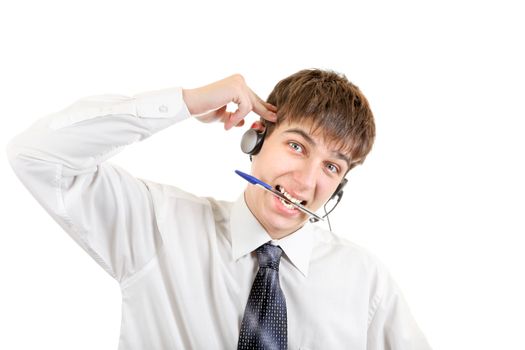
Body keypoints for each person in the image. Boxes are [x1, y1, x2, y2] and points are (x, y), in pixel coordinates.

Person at [7, 69, 431, 349]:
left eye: (331, 166)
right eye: (297, 145)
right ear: (257, 139)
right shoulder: (157, 224)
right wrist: (186, 102)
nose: (305, 181)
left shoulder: (365, 281)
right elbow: (37, 156)